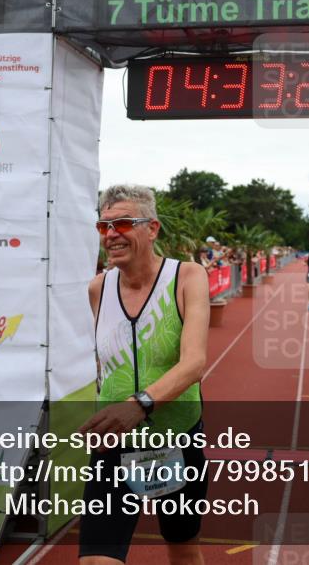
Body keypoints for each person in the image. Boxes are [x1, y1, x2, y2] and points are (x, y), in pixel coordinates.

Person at [79, 184, 209, 565]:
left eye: (122, 223)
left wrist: (139, 405)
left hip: (177, 440)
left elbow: (194, 363)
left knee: (183, 551)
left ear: (152, 228)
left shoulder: (188, 277)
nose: (111, 234)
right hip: (115, 445)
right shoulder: (97, 289)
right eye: (104, 226)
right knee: (96, 560)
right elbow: (109, 364)